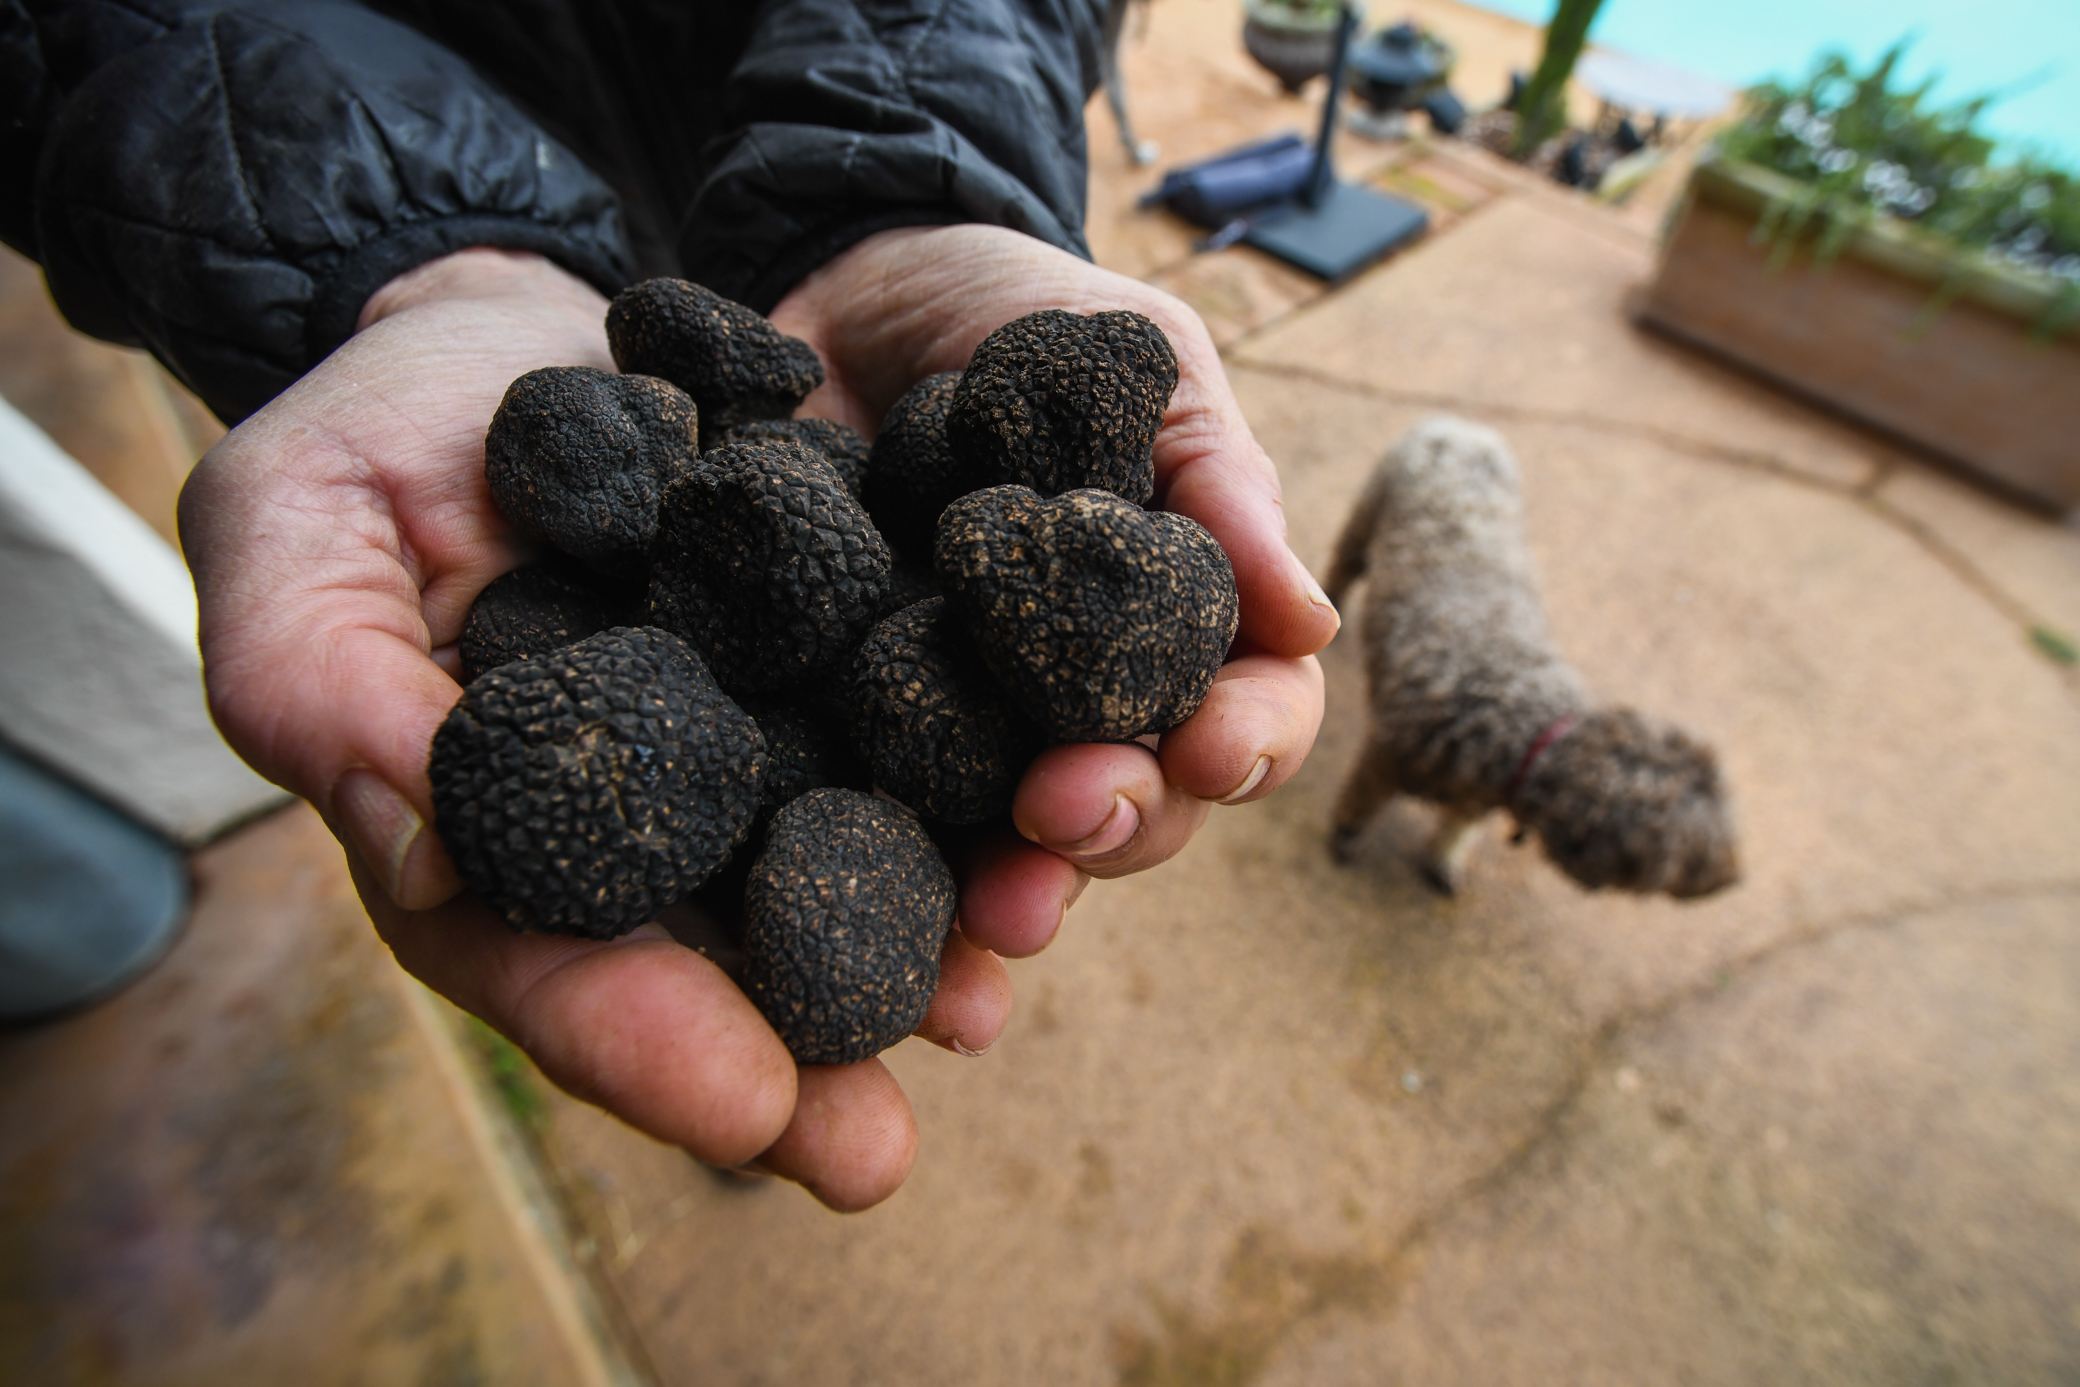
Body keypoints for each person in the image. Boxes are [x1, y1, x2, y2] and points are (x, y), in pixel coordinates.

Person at [5, 0, 1335, 1210]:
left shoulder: (889, 534)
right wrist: (411, 272)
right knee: (729, 1019)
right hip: (439, 196)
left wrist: (911, 181)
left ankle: (736, 1043)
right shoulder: (725, 551)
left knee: (788, 989)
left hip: (775, 172)